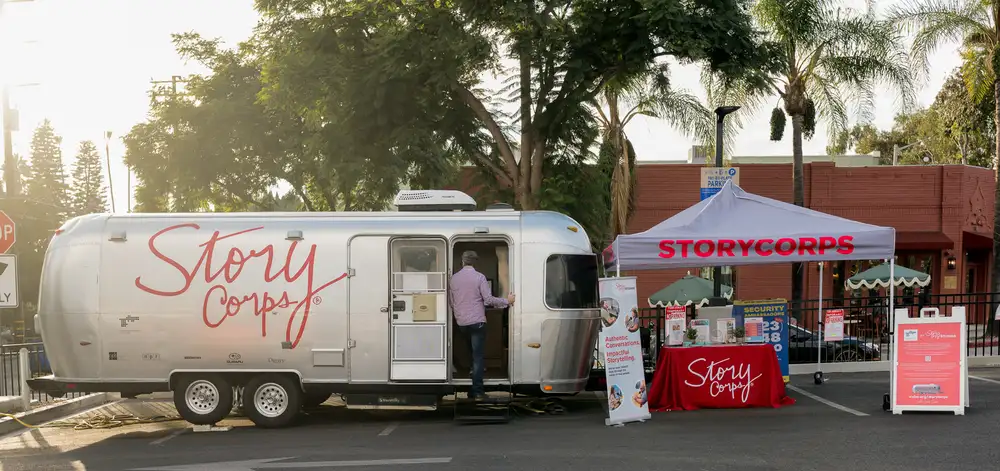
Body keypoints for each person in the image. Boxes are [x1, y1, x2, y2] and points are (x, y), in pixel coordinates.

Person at [449, 250, 515, 400]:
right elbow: (488, 300)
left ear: (462, 262)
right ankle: (477, 390)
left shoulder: (453, 279)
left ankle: (471, 383)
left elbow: (452, 303)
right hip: (477, 322)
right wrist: (507, 301)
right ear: (475, 262)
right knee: (478, 356)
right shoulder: (479, 277)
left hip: (462, 323)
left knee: (471, 353)